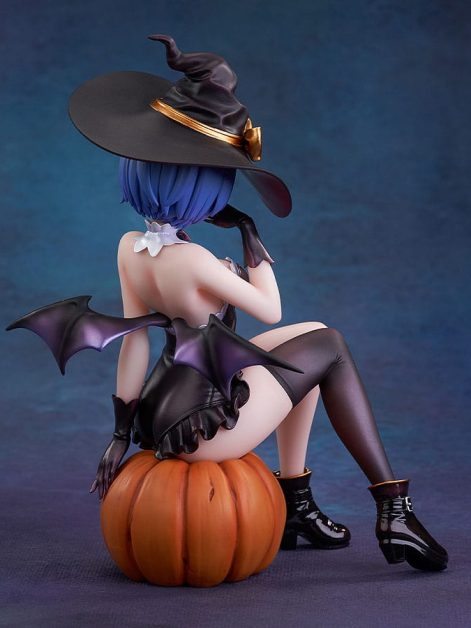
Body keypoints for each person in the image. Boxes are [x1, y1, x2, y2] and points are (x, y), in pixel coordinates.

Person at [8, 34, 447, 572]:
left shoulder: (129, 246)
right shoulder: (195, 262)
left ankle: (295, 504)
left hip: (162, 409)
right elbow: (270, 308)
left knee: (309, 338)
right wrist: (248, 231)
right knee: (329, 346)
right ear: (204, 186)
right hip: (206, 425)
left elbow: (134, 342)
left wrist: (120, 434)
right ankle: (393, 510)